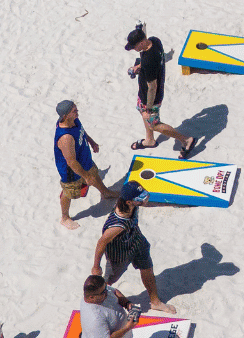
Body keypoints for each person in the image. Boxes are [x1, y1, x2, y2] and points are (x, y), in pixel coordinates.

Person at [92, 185, 176, 315]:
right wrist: (96, 266)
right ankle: (96, 303)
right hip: (119, 255)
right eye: (141, 198)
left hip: (137, 242)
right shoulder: (117, 225)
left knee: (147, 269)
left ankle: (155, 302)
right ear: (129, 202)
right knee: (108, 282)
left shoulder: (132, 204)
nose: (145, 199)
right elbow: (101, 243)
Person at [122, 25, 194, 156]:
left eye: (135, 47)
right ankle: (149, 140)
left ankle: (186, 140)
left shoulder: (149, 61)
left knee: (154, 124)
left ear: (142, 43)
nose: (134, 50)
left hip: (152, 98)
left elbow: (152, 87)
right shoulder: (155, 41)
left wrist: (149, 108)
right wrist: (139, 66)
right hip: (144, 92)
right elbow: (147, 58)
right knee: (141, 111)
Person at [54, 99, 116, 230]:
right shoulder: (65, 137)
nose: (77, 111)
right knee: (68, 192)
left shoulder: (74, 121)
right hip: (72, 171)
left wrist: (91, 141)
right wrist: (85, 177)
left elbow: (82, 131)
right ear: (65, 116)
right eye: (74, 111)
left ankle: (105, 193)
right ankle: (64, 217)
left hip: (85, 159)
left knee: (95, 175)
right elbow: (71, 161)